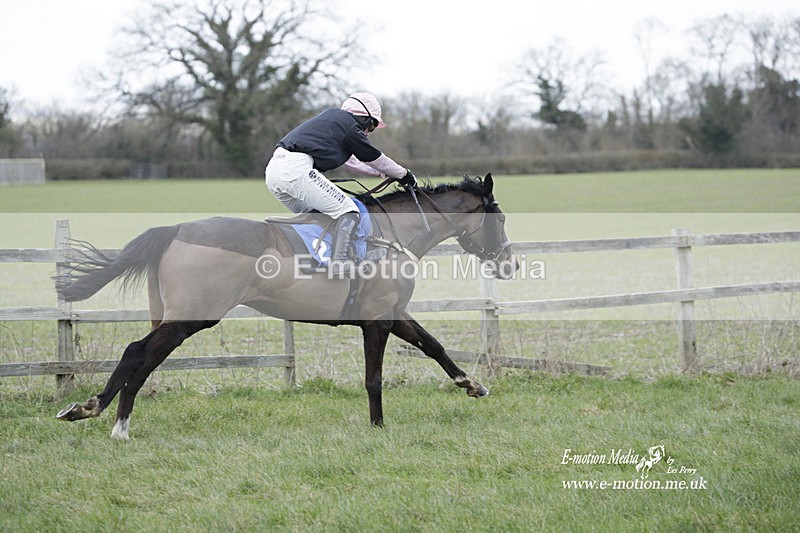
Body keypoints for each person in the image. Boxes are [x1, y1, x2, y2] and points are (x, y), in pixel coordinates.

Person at [265, 92, 416, 275]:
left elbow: (351, 163)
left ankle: (314, 262)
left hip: (274, 172)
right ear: (363, 118)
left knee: (319, 217)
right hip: (296, 170)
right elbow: (374, 157)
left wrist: (377, 172)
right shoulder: (349, 126)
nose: (368, 132)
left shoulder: (334, 121)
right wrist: (404, 174)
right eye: (372, 125)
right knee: (349, 211)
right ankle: (339, 263)